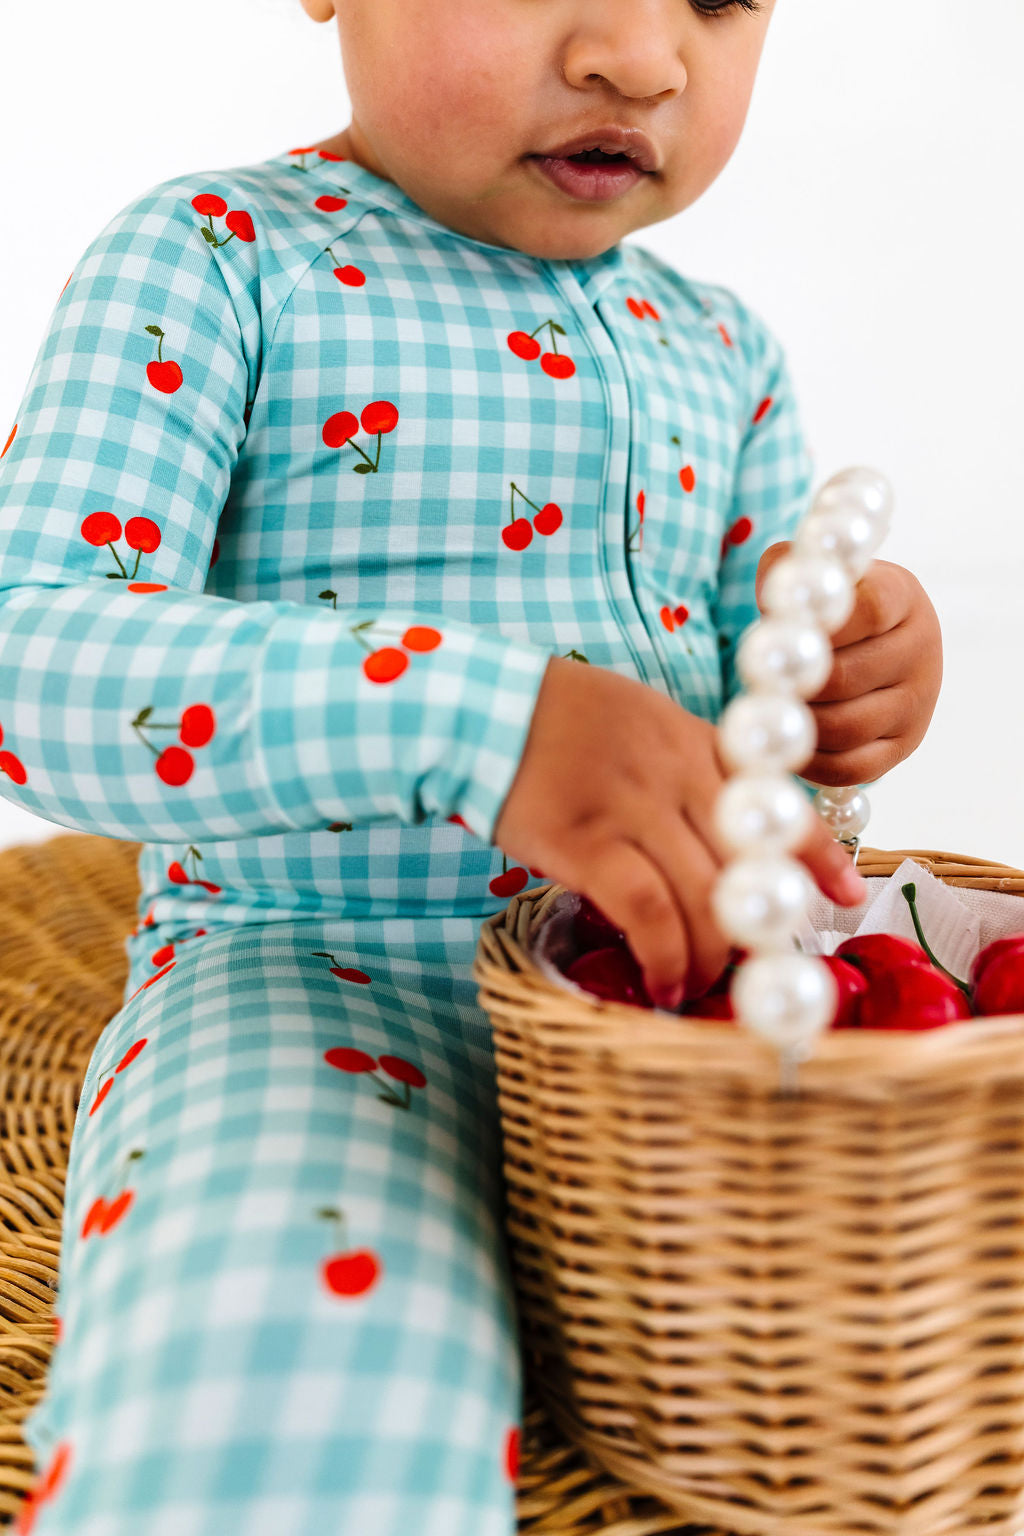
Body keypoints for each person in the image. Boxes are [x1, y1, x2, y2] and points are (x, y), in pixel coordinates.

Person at [0, 0, 942, 1530]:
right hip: (314, 982)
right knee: (298, 1378)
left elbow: (770, 762)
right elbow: (31, 652)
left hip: (665, 1011)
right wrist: (479, 719)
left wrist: (848, 699)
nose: (642, 58)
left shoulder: (724, 352)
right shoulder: (218, 259)